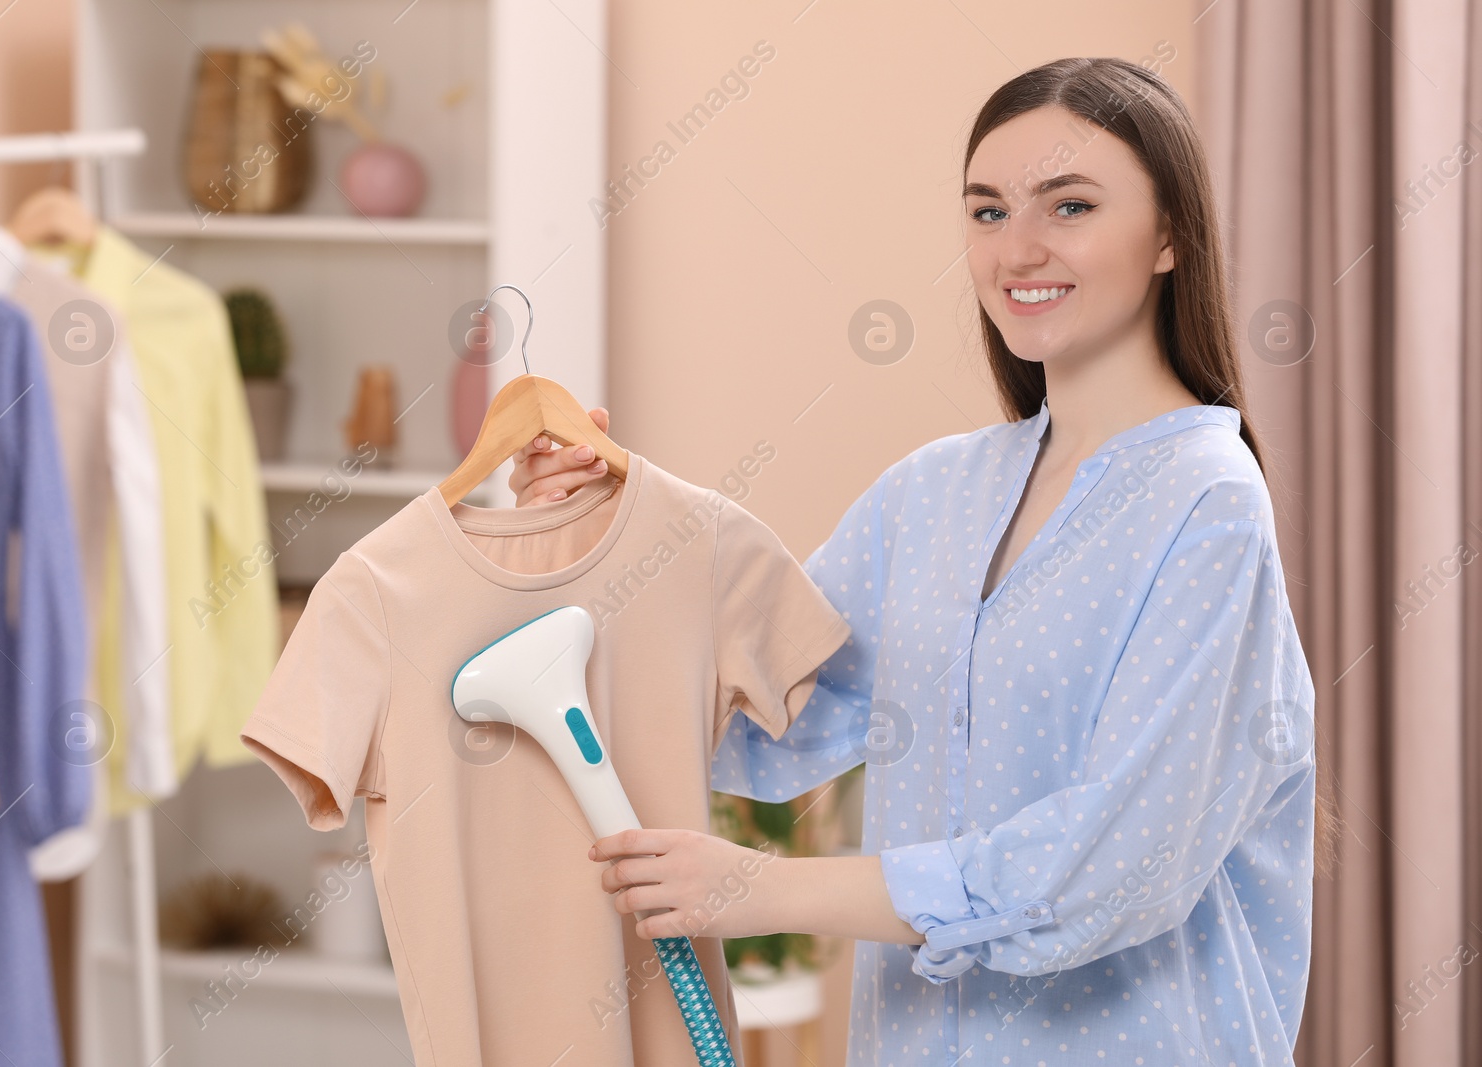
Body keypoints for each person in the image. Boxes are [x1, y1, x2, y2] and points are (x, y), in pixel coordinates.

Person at [511, 56, 1321, 1066]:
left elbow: (1120, 863)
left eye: (1068, 204)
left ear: (1167, 236)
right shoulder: (931, 495)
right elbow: (757, 718)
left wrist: (763, 887)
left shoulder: (1208, 507)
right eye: (987, 211)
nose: (1018, 247)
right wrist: (591, 540)